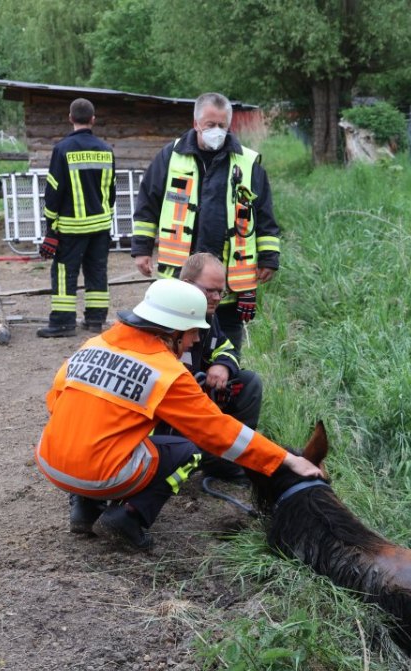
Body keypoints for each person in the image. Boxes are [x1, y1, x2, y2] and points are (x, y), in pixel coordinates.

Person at [34, 278, 322, 552]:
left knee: (102, 433)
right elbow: (220, 431)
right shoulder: (166, 372)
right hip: (102, 475)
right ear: (172, 330)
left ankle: (84, 508)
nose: (196, 340)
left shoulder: (92, 346)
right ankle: (129, 517)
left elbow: (55, 403)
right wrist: (285, 459)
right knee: (188, 450)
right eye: (194, 331)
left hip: (50, 461)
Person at [130, 92, 281, 354]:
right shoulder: (171, 156)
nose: (217, 131)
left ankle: (224, 387)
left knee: (226, 356)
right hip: (181, 276)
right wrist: (141, 248)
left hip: (229, 283)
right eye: (210, 125)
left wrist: (269, 257)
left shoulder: (247, 163)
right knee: (179, 350)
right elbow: (147, 204)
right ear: (196, 123)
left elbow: (264, 212)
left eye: (222, 126)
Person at [177, 252, 264, 479]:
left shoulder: (208, 316)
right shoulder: (166, 315)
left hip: (195, 396)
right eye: (210, 291)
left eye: (220, 291)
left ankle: (227, 462)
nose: (217, 297)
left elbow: (226, 348)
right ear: (187, 285)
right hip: (170, 405)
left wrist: (222, 365)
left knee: (249, 383)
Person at [36, 98, 117, 337]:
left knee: (64, 273)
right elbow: (111, 190)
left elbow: (54, 191)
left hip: (71, 226)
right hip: (101, 225)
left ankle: (62, 323)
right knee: (97, 271)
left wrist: (51, 227)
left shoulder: (62, 149)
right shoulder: (106, 150)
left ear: (70, 118)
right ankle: (95, 320)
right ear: (93, 119)